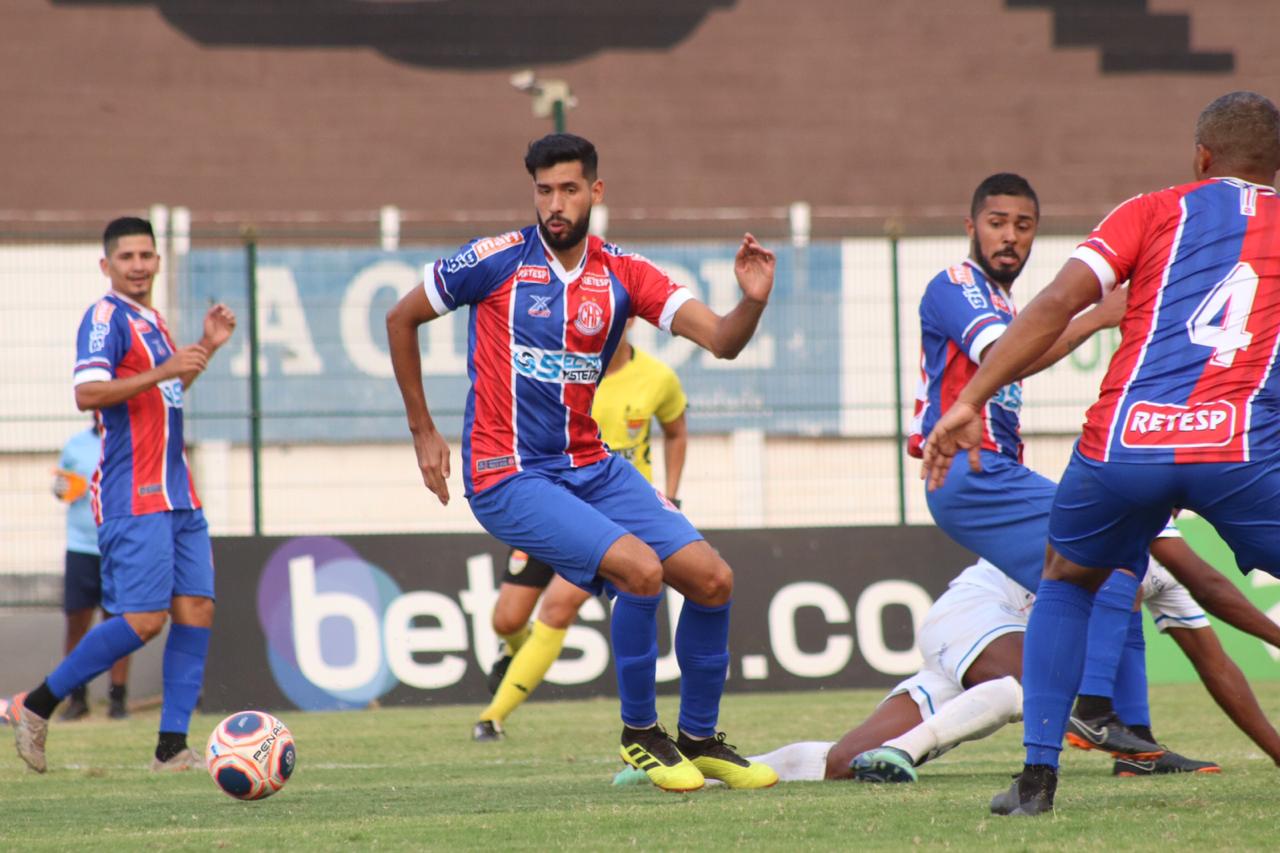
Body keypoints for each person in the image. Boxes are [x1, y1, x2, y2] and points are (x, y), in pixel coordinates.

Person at [921, 91, 1280, 816]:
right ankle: (1107, 717)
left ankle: (1039, 777)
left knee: (1069, 578)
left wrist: (968, 400)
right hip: (1238, 446)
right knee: (1148, 577)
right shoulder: (958, 285)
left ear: (1201, 156)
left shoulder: (1148, 209)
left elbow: (1056, 301)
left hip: (1126, 442)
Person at [386, 133, 778, 791]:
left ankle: (700, 738)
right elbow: (400, 318)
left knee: (713, 580)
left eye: (569, 189)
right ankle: (640, 734)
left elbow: (721, 340)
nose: (555, 204)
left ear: (595, 192)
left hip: (591, 466)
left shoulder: (624, 272)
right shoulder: (494, 260)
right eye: (544, 190)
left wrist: (754, 300)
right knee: (641, 571)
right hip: (507, 472)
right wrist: (422, 429)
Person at [619, 523, 1280, 787]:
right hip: (973, 618)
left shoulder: (1165, 573)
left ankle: (700, 771)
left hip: (982, 657)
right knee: (1041, 690)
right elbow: (1212, 586)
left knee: (841, 763)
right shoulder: (1126, 517)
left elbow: (1215, 662)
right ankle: (908, 754)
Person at [910, 175, 1165, 761]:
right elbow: (1004, 354)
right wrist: (1096, 317)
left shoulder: (1006, 304)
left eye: (1023, 226)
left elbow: (1013, 352)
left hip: (989, 474)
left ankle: (1137, 742)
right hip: (971, 473)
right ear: (970, 227)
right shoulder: (958, 284)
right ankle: (1094, 712)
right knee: (1109, 555)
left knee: (1115, 566)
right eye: (997, 222)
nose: (1010, 236)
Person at [10, 216, 236, 774]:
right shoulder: (105, 317)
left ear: (158, 260)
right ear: (106, 265)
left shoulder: (153, 321)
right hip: (133, 490)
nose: (138, 265)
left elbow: (166, 393)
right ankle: (36, 704)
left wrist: (205, 348)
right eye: (127, 257)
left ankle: (171, 748)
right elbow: (87, 392)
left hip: (179, 492)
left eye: (146, 255)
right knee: (143, 620)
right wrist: (164, 370)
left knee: (197, 608)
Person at [474, 321, 688, 741]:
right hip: (552, 504)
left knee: (557, 607)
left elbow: (676, 431)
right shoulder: (562, 370)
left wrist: (672, 495)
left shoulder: (658, 378)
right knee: (507, 618)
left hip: (614, 514)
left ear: (631, 318)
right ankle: (516, 651)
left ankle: (491, 718)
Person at [52, 420, 130, 721]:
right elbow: (60, 489)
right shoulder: (76, 444)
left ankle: (118, 700)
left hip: (120, 545)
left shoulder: (130, 439)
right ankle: (77, 698)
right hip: (81, 547)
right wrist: (66, 487)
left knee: (120, 623)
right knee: (77, 623)